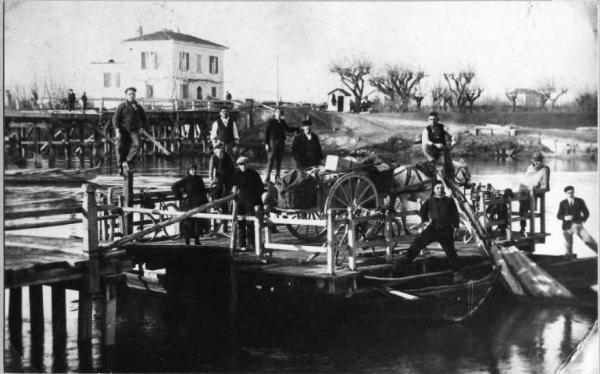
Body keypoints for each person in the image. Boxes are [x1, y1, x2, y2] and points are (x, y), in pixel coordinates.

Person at [402, 180, 464, 282]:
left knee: (451, 252)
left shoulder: (449, 200)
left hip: (446, 230)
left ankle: (457, 274)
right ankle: (405, 263)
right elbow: (422, 212)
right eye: (437, 188)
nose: (440, 189)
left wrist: (456, 227)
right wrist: (425, 220)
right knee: (418, 242)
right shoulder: (430, 200)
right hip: (433, 228)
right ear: (434, 190)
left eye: (441, 187)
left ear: (443, 189)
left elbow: (455, 215)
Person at [231, 156, 264, 251]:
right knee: (240, 223)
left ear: (247, 164)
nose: (243, 166)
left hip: (252, 202)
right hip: (240, 203)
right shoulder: (236, 175)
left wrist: (257, 201)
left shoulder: (254, 174)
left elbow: (260, 188)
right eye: (241, 164)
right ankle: (242, 245)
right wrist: (233, 191)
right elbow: (232, 188)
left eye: (245, 164)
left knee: (251, 224)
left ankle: (252, 244)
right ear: (238, 165)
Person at [171, 164, 209, 245]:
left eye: (195, 169)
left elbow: (203, 190)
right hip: (188, 205)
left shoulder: (199, 179)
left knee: (198, 223)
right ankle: (187, 241)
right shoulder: (185, 180)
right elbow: (174, 186)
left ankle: (197, 240)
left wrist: (206, 201)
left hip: (199, 204)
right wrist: (181, 195)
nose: (194, 171)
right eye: (192, 170)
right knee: (188, 223)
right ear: (189, 171)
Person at [113, 87, 148, 176]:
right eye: (130, 94)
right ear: (126, 95)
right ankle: (120, 167)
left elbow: (145, 119)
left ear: (135, 95)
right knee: (120, 147)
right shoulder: (122, 106)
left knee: (138, 144)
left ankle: (127, 160)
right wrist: (117, 131)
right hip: (123, 130)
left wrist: (142, 127)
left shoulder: (138, 107)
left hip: (133, 130)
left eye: (133, 94)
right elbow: (115, 119)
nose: (131, 96)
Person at [556, 185, 597, 258]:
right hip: (566, 227)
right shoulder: (562, 203)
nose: (570, 194)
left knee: (588, 240)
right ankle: (569, 259)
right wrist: (565, 217)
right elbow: (558, 216)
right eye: (568, 193)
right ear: (565, 193)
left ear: (574, 192)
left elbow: (586, 213)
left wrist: (581, 221)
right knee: (568, 245)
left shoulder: (580, 201)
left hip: (577, 225)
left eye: (572, 192)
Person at [518, 151, 550, 236]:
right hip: (523, 189)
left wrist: (536, 188)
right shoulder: (530, 167)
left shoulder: (544, 169)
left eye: (538, 161)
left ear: (541, 161)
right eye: (534, 161)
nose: (535, 163)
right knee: (521, 207)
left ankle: (523, 228)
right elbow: (525, 178)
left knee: (524, 208)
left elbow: (545, 186)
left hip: (531, 191)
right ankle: (522, 228)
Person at [265, 108, 299, 182]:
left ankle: (277, 176)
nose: (279, 114)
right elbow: (267, 133)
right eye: (277, 112)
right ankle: (267, 176)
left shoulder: (283, 122)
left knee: (279, 160)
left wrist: (296, 128)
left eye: (280, 113)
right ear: (275, 114)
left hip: (281, 143)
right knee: (271, 160)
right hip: (273, 142)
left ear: (281, 114)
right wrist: (266, 144)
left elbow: (288, 129)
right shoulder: (271, 122)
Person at [421, 111, 455, 181]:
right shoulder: (426, 130)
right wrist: (435, 144)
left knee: (448, 166)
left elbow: (452, 134)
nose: (432, 121)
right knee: (424, 146)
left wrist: (453, 142)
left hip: (442, 150)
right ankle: (432, 161)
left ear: (437, 120)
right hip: (431, 150)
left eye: (434, 119)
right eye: (431, 119)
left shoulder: (443, 127)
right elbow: (425, 141)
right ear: (428, 120)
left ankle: (450, 179)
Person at [209, 141, 236, 211]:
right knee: (216, 189)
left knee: (227, 191)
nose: (220, 150)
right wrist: (211, 178)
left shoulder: (227, 156)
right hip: (219, 176)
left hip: (228, 175)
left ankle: (226, 206)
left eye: (221, 148)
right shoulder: (213, 157)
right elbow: (211, 169)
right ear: (215, 150)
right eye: (218, 148)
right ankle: (216, 205)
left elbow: (232, 168)